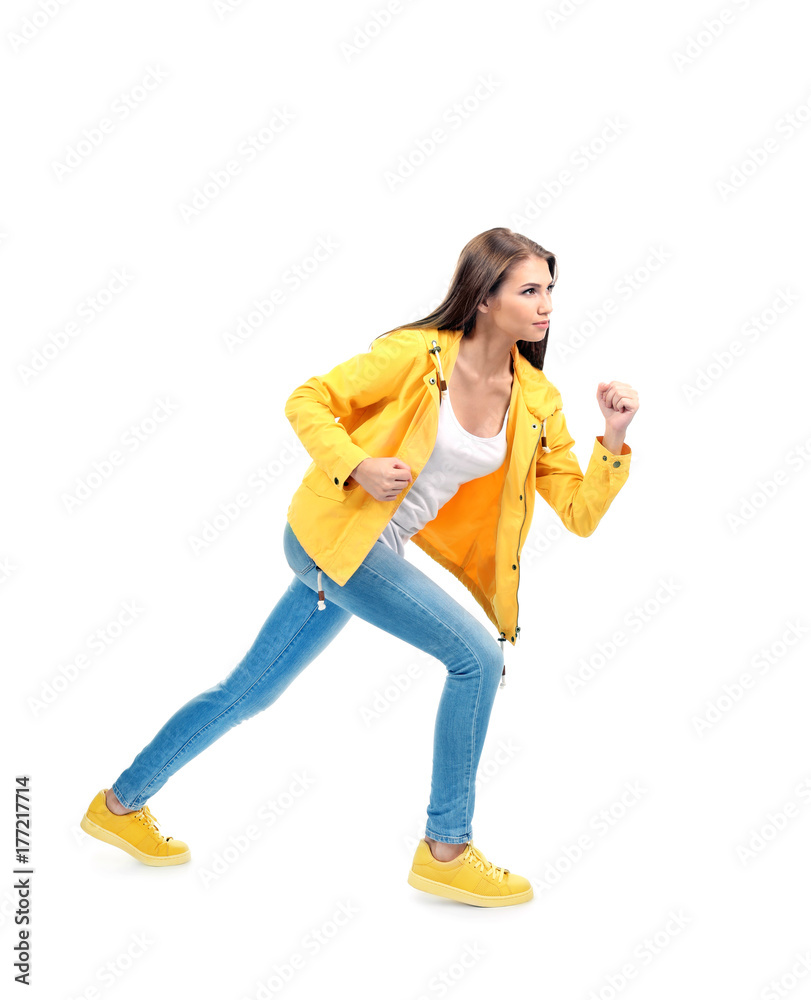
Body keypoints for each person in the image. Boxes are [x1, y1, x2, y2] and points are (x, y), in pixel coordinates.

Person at [80, 227, 638, 907]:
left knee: (251, 690)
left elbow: (577, 512)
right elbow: (307, 399)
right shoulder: (415, 356)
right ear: (485, 298)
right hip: (333, 535)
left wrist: (613, 438)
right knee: (474, 659)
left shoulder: (535, 400)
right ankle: (447, 848)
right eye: (530, 289)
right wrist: (358, 464)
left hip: (373, 554)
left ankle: (118, 803)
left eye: (550, 288)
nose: (547, 302)